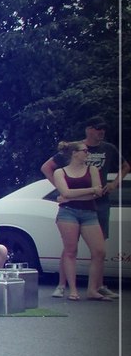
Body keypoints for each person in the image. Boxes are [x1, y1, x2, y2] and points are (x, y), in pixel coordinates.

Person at [40, 115, 128, 298]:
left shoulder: (108, 149)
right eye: (97, 128)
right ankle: (63, 285)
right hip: (70, 206)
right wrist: (63, 190)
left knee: (99, 248)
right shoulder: (73, 148)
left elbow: (124, 168)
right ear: (88, 129)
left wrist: (114, 184)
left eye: (103, 128)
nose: (101, 131)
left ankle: (97, 286)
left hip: (97, 204)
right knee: (70, 247)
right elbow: (47, 168)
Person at [51, 140, 111, 301]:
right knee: (71, 251)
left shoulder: (92, 169)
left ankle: (92, 289)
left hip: (89, 212)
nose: (87, 153)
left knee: (99, 251)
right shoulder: (60, 172)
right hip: (68, 213)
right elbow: (66, 192)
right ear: (74, 153)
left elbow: (97, 193)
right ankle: (73, 289)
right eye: (84, 151)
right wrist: (89, 190)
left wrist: (71, 195)